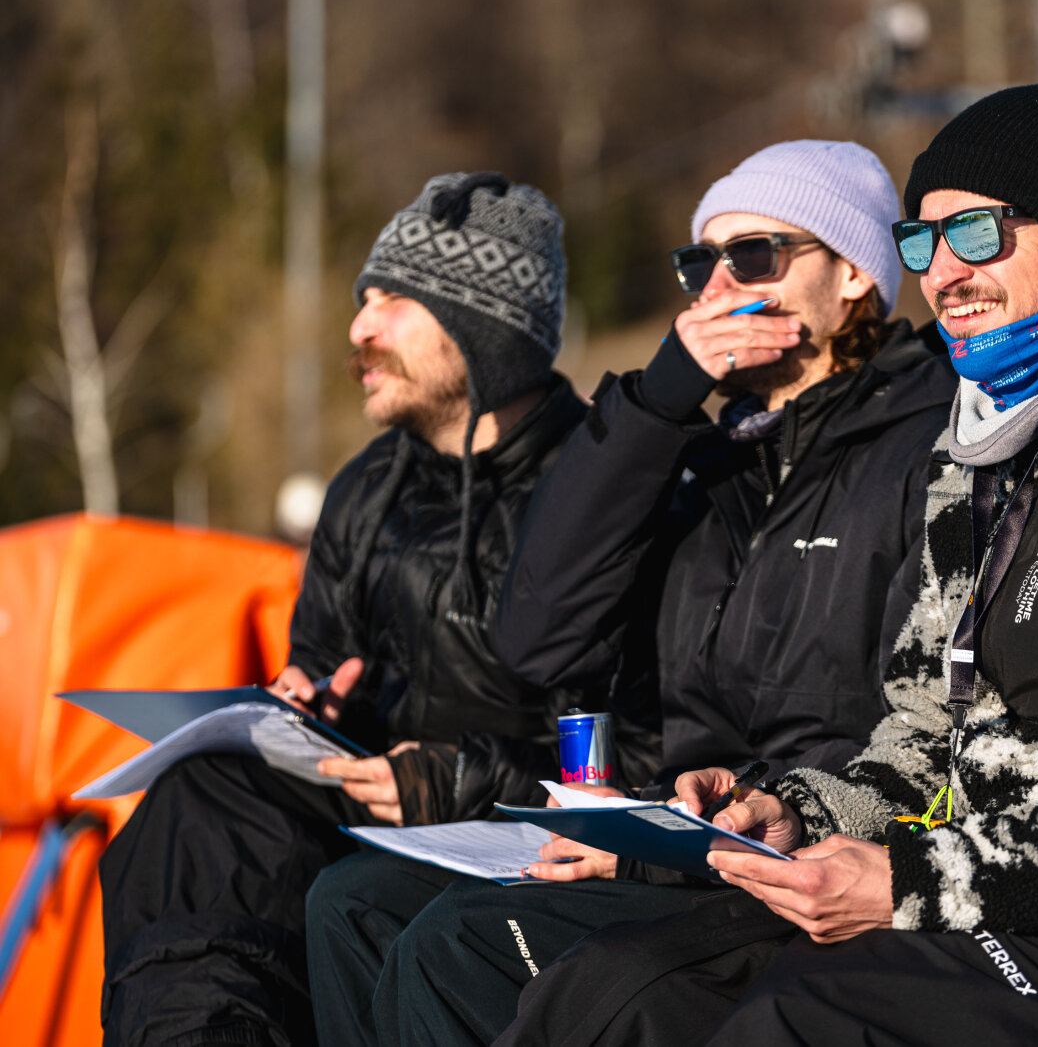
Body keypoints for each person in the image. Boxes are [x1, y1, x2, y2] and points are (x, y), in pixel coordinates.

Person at [499, 81, 1038, 1047]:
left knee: (801, 1018)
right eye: (923, 241)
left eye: (977, 234)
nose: (942, 273)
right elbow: (923, 733)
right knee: (619, 991)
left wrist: (911, 883)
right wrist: (788, 813)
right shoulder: (986, 461)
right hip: (993, 900)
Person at [304, 140, 958, 1046]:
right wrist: (657, 402)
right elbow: (537, 634)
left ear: (852, 273)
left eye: (756, 255)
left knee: (455, 950)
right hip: (665, 832)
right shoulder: (704, 457)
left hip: (793, 844)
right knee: (351, 904)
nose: (721, 285)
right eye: (702, 264)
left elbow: (912, 724)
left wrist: (693, 833)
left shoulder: (931, 446)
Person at [97, 173, 658, 1047]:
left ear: (487, 326)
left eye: (392, 300)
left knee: (342, 895)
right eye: (363, 299)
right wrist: (306, 710)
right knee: (199, 797)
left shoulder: (594, 496)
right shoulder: (364, 489)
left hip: (518, 843)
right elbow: (324, 658)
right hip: (367, 812)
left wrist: (458, 778)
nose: (358, 328)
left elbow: (643, 746)